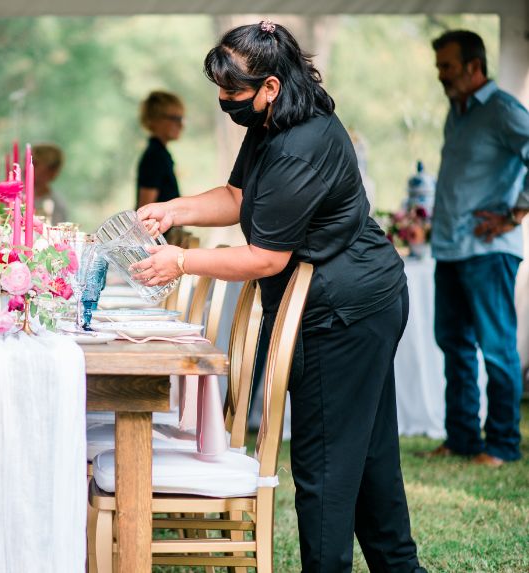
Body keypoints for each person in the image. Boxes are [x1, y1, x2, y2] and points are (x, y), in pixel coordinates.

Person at [134, 21, 426, 572]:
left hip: (343, 309)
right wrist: (174, 210)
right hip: (355, 295)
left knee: (325, 467)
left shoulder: (301, 143)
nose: (223, 100)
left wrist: (182, 259)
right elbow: (235, 195)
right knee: (369, 456)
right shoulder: (271, 120)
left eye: (232, 91)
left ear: (269, 85)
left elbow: (265, 258)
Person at [423, 30, 527, 467]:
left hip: (488, 252)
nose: (440, 74)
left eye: (447, 66)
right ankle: (462, 437)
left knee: (497, 348)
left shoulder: (502, 109)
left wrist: (517, 213)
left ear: (473, 66)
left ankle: (502, 444)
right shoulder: (457, 111)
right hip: (450, 250)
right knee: (454, 344)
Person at [135, 90, 184, 209]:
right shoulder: (155, 156)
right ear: (155, 119)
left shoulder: (160, 153)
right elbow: (144, 209)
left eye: (181, 119)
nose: (181, 125)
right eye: (174, 118)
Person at [31, 143, 69, 224]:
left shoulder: (56, 206)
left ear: (51, 172)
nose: (26, 167)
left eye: (34, 163)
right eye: (26, 162)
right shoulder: (16, 197)